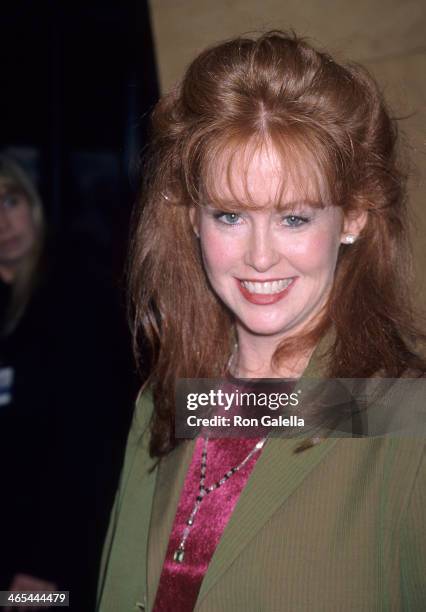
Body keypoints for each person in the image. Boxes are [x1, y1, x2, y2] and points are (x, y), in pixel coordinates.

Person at [96, 31, 426, 611]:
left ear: (352, 218)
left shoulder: (404, 417)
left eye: (294, 218)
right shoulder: (169, 400)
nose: (259, 256)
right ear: (191, 219)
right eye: (230, 215)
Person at [0, 156, 136, 610]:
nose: (4, 221)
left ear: (32, 202)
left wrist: (48, 567)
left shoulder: (74, 294)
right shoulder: (10, 306)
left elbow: (89, 443)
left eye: (10, 200)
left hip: (52, 564)